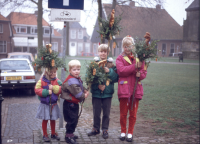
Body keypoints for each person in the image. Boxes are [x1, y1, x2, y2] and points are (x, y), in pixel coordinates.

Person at [116, 35, 147, 142]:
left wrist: (140, 75)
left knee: (133, 114)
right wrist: (134, 67)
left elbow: (144, 72)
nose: (127, 48)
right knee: (123, 113)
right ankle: (123, 131)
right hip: (124, 90)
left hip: (136, 90)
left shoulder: (139, 58)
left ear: (133, 46)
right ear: (123, 47)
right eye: (125, 46)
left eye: (129, 46)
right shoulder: (120, 58)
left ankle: (130, 132)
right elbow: (121, 71)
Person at [87, 44, 118, 139]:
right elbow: (89, 78)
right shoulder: (94, 64)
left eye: (105, 52)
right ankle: (96, 128)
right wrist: (98, 86)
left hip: (107, 94)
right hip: (96, 93)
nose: (103, 53)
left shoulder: (111, 65)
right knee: (96, 112)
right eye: (101, 51)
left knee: (106, 113)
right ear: (98, 52)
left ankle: (105, 129)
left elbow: (116, 78)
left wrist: (110, 71)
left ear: (108, 53)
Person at [61, 60, 89, 144]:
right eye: (74, 69)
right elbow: (79, 95)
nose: (77, 71)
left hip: (73, 104)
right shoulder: (71, 82)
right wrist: (85, 95)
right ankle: (68, 136)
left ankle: (70, 133)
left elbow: (80, 85)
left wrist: (85, 90)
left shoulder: (75, 78)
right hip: (70, 104)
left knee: (74, 119)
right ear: (69, 70)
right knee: (72, 120)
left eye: (78, 69)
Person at [35, 67, 62, 142]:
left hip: (53, 104)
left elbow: (62, 88)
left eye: (54, 72)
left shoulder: (57, 80)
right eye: (51, 72)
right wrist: (46, 92)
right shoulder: (42, 80)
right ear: (46, 72)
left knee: (53, 119)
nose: (53, 73)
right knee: (45, 119)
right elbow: (37, 90)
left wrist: (53, 88)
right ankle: (45, 134)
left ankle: (53, 133)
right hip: (45, 104)